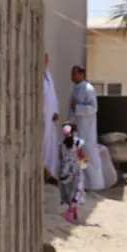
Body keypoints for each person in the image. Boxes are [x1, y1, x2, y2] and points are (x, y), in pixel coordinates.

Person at [69, 65, 105, 191]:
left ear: (81, 74)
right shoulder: (76, 89)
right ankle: (85, 185)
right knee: (81, 158)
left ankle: (97, 185)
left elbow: (93, 108)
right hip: (79, 130)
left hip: (87, 131)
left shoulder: (88, 89)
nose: (72, 76)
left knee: (91, 158)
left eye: (74, 73)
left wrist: (78, 108)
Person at [57, 123, 87, 223]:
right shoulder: (78, 143)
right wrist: (84, 162)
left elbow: (61, 158)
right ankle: (72, 210)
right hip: (75, 170)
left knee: (68, 191)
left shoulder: (61, 144)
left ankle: (72, 208)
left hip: (64, 170)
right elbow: (82, 156)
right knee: (76, 189)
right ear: (74, 132)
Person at [43, 54, 60, 184]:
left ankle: (50, 172)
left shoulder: (48, 75)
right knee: (44, 144)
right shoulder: (38, 75)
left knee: (51, 146)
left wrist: (56, 112)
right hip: (43, 117)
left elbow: (53, 96)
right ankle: (44, 172)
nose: (46, 61)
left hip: (51, 117)